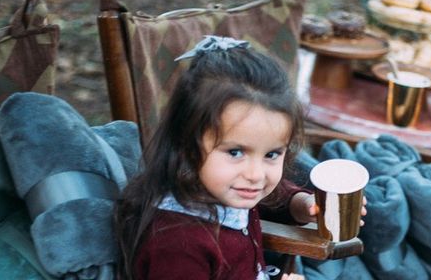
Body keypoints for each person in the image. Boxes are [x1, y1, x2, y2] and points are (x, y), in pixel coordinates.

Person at [114, 36, 318, 280]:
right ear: (187, 143)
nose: (255, 175)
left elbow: (272, 198)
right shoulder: (177, 244)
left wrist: (303, 205)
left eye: (271, 154)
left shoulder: (224, 189)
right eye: (235, 152)